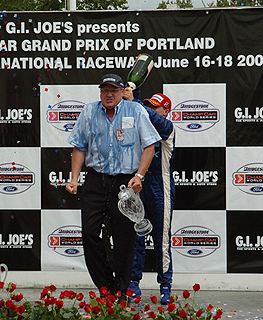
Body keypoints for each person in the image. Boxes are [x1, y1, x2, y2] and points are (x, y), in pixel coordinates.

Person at [65, 74, 161, 298]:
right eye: (104, 90)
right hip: (96, 180)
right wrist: (73, 178)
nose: (109, 94)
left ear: (121, 91)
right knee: (89, 233)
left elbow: (150, 146)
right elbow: (79, 147)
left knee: (124, 239)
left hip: (125, 182)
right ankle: (105, 285)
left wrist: (139, 176)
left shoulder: (135, 111)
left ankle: (120, 291)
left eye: (114, 90)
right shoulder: (89, 111)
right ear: (100, 92)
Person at [124, 90, 175, 305]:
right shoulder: (140, 127)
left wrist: (134, 101)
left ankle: (165, 284)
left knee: (161, 239)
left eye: (156, 106)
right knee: (135, 237)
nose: (152, 110)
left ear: (166, 111)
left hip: (160, 188)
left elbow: (152, 119)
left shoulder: (168, 128)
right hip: (138, 186)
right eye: (149, 105)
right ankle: (133, 283)